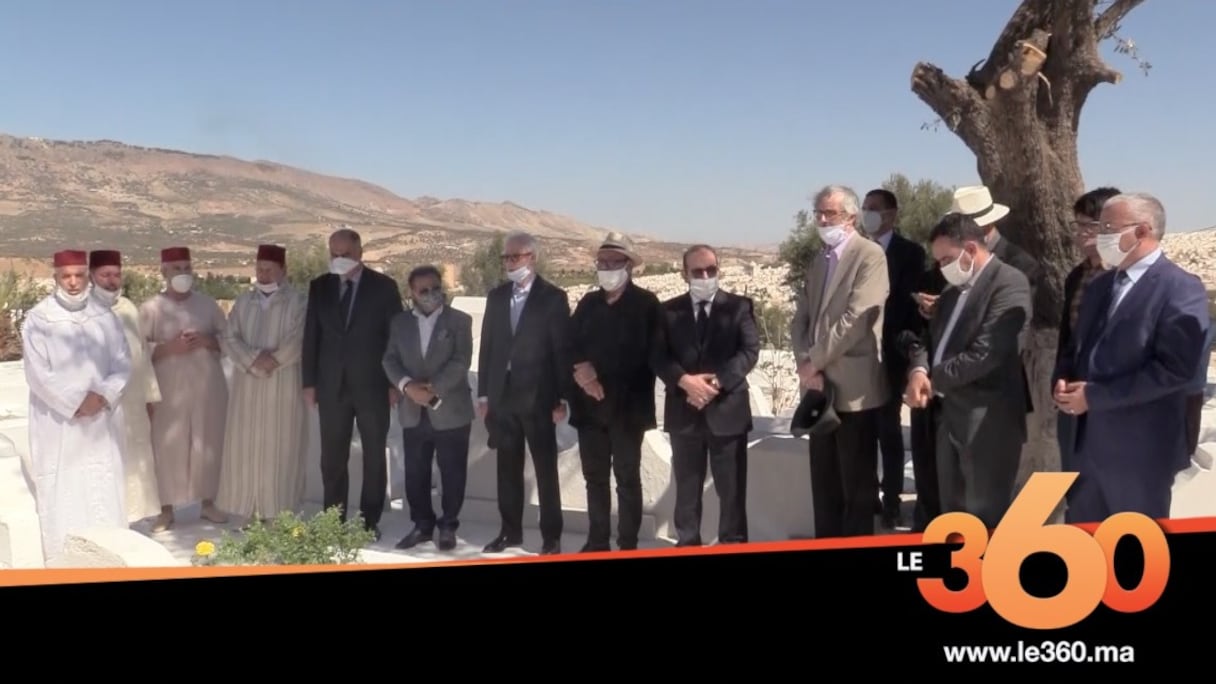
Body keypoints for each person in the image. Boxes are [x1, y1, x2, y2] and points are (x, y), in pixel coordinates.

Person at [1053, 192, 1211, 523]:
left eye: (1108, 228)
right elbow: (1076, 346)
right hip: (1085, 448)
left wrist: (1094, 397)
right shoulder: (1100, 286)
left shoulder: (1180, 288)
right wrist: (1063, 380)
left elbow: (1174, 370)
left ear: (1142, 231)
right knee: (1086, 541)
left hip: (1139, 453)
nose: (1099, 236)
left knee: (1136, 544)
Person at [903, 213, 1032, 530]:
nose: (942, 267)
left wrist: (932, 380)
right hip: (949, 419)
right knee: (954, 518)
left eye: (947, 259)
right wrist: (918, 370)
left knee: (986, 518)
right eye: (938, 261)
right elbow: (928, 339)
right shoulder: (952, 292)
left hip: (987, 423)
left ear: (971, 249)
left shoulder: (1008, 283)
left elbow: (987, 353)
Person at [791, 185, 891, 539]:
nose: (821, 219)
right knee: (824, 486)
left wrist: (815, 361)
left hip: (854, 390)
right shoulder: (820, 260)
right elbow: (802, 316)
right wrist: (805, 362)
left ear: (850, 217)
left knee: (856, 489)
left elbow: (857, 319)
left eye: (829, 213)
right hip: (818, 389)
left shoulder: (870, 256)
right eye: (818, 212)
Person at [23, 249, 132, 562]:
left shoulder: (105, 316)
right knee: (65, 486)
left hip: (102, 419)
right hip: (59, 423)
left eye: (79, 275)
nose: (73, 282)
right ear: (55, 277)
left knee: (104, 483)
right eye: (66, 276)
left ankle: (111, 554)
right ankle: (64, 560)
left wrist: (103, 395)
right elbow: (37, 374)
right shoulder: (39, 318)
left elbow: (123, 362)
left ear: (87, 276)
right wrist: (75, 402)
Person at [301, 227, 404, 541]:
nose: (339, 259)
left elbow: (395, 338)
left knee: (374, 455)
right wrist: (309, 383)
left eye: (345, 254)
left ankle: (369, 521)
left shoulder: (384, 287)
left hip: (373, 385)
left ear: (360, 253)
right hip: (331, 386)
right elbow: (311, 336)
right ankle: (333, 519)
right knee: (332, 457)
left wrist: (394, 384)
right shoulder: (320, 286)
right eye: (334, 254)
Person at [653, 244, 759, 546]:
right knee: (686, 493)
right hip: (684, 413)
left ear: (718, 270)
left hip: (728, 413)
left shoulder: (739, 307)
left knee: (732, 493)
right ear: (684, 273)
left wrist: (715, 383)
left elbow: (750, 351)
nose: (704, 276)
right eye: (697, 271)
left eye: (710, 270)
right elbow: (657, 356)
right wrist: (685, 381)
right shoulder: (667, 311)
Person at [476, 231, 575, 555]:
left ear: (532, 258)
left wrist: (562, 398)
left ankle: (551, 537)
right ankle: (510, 532)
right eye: (505, 257)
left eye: (514, 256)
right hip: (502, 397)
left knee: (545, 469)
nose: (509, 262)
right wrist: (483, 396)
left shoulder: (553, 298)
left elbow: (561, 350)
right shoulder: (496, 296)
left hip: (539, 397)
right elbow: (487, 347)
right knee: (507, 468)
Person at [568, 232, 663, 552]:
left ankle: (627, 544)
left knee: (627, 479)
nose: (607, 268)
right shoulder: (588, 304)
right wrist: (582, 373)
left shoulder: (647, 305)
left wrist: (599, 376)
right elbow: (569, 344)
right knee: (594, 478)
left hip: (627, 410)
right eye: (602, 262)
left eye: (613, 262)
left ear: (629, 266)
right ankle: (597, 541)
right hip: (589, 409)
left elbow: (649, 355)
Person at [382, 265, 475, 552]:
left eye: (435, 288)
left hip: (451, 410)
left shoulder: (459, 320)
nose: (431, 294)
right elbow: (389, 360)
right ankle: (422, 525)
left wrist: (431, 389)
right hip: (412, 411)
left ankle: (448, 526)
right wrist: (408, 387)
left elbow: (461, 361)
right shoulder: (399, 323)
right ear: (411, 292)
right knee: (415, 472)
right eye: (424, 290)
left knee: (452, 473)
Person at [215, 244, 309, 522]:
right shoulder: (244, 302)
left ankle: (278, 510)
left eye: (269, 270)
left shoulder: (298, 302)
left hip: (284, 385)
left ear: (284, 270)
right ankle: (247, 509)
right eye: (260, 270)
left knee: (281, 447)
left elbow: (300, 338)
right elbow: (229, 337)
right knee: (244, 448)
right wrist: (253, 359)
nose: (264, 275)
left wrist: (275, 360)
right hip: (247, 386)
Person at [139, 246, 230, 531]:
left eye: (187, 268)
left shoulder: (208, 306)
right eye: (176, 268)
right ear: (164, 271)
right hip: (168, 391)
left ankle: (208, 503)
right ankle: (165, 510)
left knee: (208, 441)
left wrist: (206, 341)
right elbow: (137, 351)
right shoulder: (151, 308)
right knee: (167, 446)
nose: (183, 273)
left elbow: (229, 340)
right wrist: (169, 347)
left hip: (207, 388)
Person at [861, 188, 926, 529]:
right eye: (865, 208)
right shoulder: (858, 251)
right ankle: (867, 494)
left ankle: (892, 500)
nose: (867, 214)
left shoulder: (910, 253)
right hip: (858, 357)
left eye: (874, 208)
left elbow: (905, 305)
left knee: (888, 430)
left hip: (891, 354)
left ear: (891, 214)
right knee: (862, 430)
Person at [88, 249, 163, 524]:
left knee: (136, 459)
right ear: (91, 276)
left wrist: (150, 396)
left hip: (133, 401)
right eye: (105, 275)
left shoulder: (129, 308)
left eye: (116, 275)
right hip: (100, 404)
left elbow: (143, 355)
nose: (112, 281)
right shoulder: (84, 311)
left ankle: (134, 519)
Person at [1055, 187, 1120, 471]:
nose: (1081, 232)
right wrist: (1060, 377)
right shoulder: (1075, 277)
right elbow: (1069, 336)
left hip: (1109, 398)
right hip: (1071, 394)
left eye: (1089, 225)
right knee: (1072, 477)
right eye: (1078, 224)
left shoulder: (1123, 279)